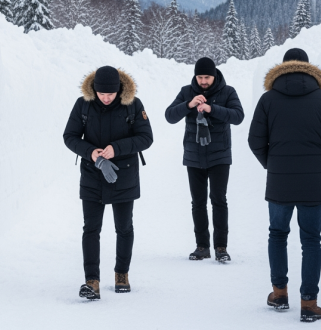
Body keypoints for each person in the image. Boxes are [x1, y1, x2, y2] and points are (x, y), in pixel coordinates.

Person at [247, 48, 321, 322]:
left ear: (283, 68)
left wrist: (274, 164)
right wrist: (317, 165)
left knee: (277, 234)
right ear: (308, 68)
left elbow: (255, 141)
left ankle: (279, 294)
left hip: (279, 181)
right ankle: (309, 304)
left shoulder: (268, 100)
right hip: (313, 183)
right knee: (311, 240)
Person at [63, 66, 153, 301]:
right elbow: (69, 136)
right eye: (102, 93)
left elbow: (146, 137)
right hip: (92, 175)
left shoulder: (133, 104)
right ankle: (91, 281)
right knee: (91, 229)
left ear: (118, 90)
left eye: (110, 94)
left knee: (124, 228)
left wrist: (116, 149)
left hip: (124, 175)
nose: (105, 98)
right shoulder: (83, 104)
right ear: (94, 89)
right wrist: (92, 152)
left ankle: (121, 274)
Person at [165, 57, 244, 262]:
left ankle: (221, 247)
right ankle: (202, 246)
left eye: (207, 77)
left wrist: (212, 109)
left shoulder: (228, 92)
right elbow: (170, 116)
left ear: (214, 75)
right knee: (198, 202)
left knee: (219, 201)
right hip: (194, 156)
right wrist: (189, 105)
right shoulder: (186, 91)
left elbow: (238, 116)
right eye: (199, 77)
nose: (203, 81)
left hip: (220, 156)